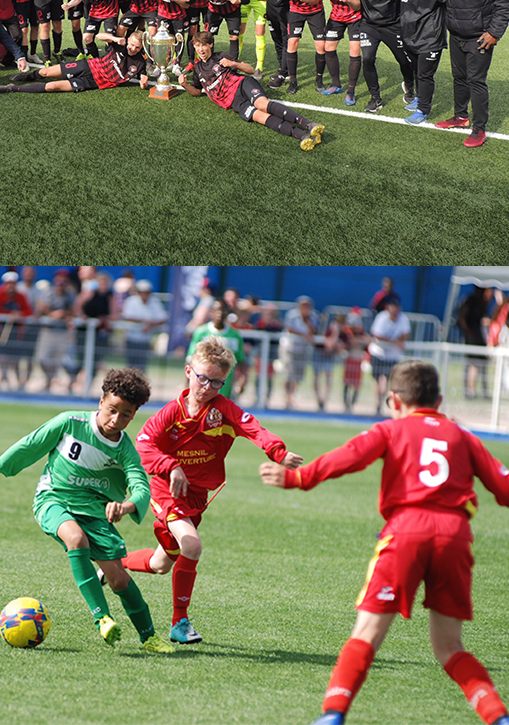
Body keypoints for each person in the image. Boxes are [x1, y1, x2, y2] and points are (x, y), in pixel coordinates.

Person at [258, 360, 509, 725]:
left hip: (406, 531)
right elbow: (503, 489)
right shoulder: (463, 436)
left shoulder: (391, 429)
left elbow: (348, 457)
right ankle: (498, 717)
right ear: (438, 399)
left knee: (367, 633)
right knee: (450, 647)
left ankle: (333, 715)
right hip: (456, 536)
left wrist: (299, 479)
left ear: (393, 400)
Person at [0, 368, 175, 654]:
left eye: (126, 415)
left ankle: (149, 637)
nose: (116, 420)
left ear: (134, 415)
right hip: (53, 500)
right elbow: (28, 446)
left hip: (95, 514)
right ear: (101, 401)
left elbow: (141, 487)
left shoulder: (125, 450)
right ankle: (102, 618)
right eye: (112, 410)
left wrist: (125, 506)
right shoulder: (70, 423)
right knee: (76, 539)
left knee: (119, 579)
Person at [125, 339, 303, 644]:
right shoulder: (171, 412)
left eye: (216, 382)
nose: (207, 387)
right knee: (192, 546)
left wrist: (278, 452)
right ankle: (179, 623)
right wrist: (170, 466)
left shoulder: (224, 410)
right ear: (188, 372)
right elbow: (142, 445)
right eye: (202, 378)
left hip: (196, 496)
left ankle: (114, 563)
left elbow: (254, 429)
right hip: (165, 489)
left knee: (160, 564)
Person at [433, 0, 509, 148]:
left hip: (479, 36)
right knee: (459, 78)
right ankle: (460, 116)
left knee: (476, 81)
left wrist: (494, 32)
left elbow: (504, 0)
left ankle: (479, 128)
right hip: (455, 34)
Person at [182, 32, 324, 150]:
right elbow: (196, 91)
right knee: (260, 117)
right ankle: (303, 136)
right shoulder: (198, 69)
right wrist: (184, 85)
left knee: (262, 104)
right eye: (198, 46)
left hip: (242, 85)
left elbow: (251, 70)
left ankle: (308, 124)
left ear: (210, 45)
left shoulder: (220, 56)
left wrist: (233, 63)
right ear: (194, 47)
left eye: (204, 45)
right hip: (235, 102)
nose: (201, 49)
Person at [345, 0, 416, 113]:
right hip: (369, 25)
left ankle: (410, 88)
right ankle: (375, 99)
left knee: (404, 61)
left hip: (393, 25)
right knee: (368, 59)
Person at [0, 30, 149, 95]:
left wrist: (144, 83)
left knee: (52, 86)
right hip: (88, 65)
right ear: (128, 40)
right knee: (45, 72)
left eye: (137, 47)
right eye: (131, 44)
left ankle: (13, 89)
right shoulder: (120, 43)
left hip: (92, 82)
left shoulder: (141, 63)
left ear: (141, 48)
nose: (133, 48)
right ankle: (30, 76)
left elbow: (142, 83)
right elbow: (99, 36)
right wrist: (115, 38)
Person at [398, 0, 448, 126]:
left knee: (425, 75)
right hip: (409, 36)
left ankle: (423, 110)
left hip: (430, 38)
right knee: (418, 72)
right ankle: (420, 98)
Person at [268, 0, 324, 94]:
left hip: (315, 11)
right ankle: (293, 81)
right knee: (292, 43)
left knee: (321, 46)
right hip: (295, 11)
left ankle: (319, 80)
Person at [315, 0, 363, 99]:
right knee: (328, 47)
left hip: (355, 16)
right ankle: (336, 85)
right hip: (337, 16)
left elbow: (357, 5)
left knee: (354, 51)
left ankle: (351, 91)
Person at [186, 298, 247, 399]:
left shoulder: (234, 335)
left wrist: (242, 380)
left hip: (225, 388)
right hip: (203, 388)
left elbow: (241, 360)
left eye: (223, 310)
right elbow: (190, 359)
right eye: (217, 310)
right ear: (211, 312)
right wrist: (186, 385)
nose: (220, 313)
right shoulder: (201, 332)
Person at [34, 269, 77, 393]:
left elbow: (74, 310)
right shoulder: (48, 292)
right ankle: (49, 378)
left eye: (64, 280)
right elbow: (42, 308)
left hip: (62, 332)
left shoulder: (70, 294)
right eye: (59, 279)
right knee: (42, 358)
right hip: (48, 330)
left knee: (59, 359)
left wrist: (62, 314)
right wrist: (52, 314)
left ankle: (51, 382)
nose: (61, 282)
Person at [0, 271, 32, 391]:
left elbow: (28, 311)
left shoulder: (20, 296)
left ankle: (18, 384)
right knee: (2, 358)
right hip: (1, 332)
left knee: (14, 359)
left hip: (15, 333)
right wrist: (8, 315)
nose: (10, 286)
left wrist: (19, 315)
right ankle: (3, 379)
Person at [368, 295, 410, 416]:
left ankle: (386, 402)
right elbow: (377, 335)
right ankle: (378, 402)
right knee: (377, 379)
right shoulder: (381, 318)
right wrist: (394, 341)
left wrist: (396, 341)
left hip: (392, 355)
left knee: (388, 379)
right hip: (378, 352)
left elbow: (405, 335)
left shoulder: (403, 319)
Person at [456, 287, 501, 399]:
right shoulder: (470, 301)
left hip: (480, 338)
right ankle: (469, 391)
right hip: (472, 338)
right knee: (472, 364)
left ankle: (484, 391)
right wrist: (469, 333)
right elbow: (462, 319)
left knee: (482, 364)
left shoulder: (482, 303)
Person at [280, 296, 322, 410]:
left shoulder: (313, 316)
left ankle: (292, 394)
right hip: (290, 347)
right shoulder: (291, 315)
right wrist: (304, 333)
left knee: (298, 375)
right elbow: (289, 328)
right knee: (289, 373)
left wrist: (306, 320)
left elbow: (314, 332)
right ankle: (288, 397)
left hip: (303, 349)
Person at [120, 279, 167, 371]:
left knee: (142, 366)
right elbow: (127, 317)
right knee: (130, 365)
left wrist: (151, 324)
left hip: (145, 340)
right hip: (131, 338)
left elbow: (163, 318)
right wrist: (144, 322)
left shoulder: (155, 302)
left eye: (146, 292)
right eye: (142, 292)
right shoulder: (131, 301)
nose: (144, 295)